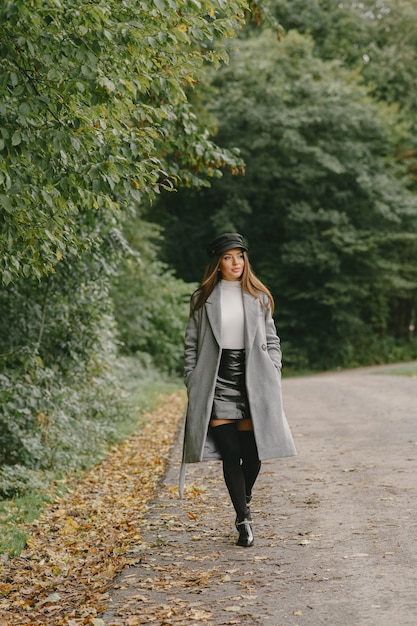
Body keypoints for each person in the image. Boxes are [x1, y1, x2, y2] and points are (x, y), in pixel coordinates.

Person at [179, 233, 296, 547]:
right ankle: (243, 520)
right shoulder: (202, 298)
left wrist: (273, 367)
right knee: (231, 455)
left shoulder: (258, 296)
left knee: (253, 455)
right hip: (215, 382)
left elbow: (272, 340)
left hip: (252, 380)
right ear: (218, 262)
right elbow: (191, 345)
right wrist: (192, 378)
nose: (235, 263)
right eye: (229, 257)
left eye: (240, 256)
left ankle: (242, 498)